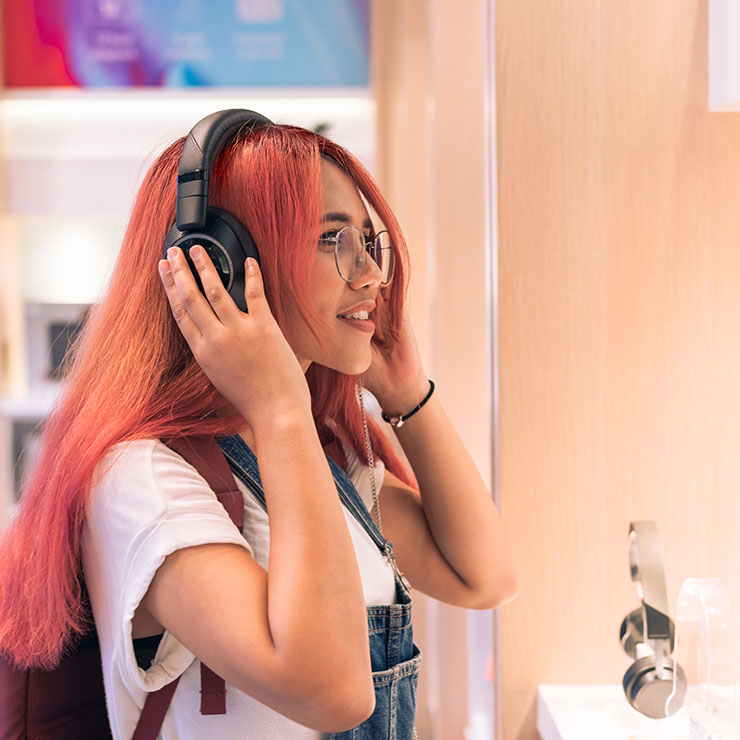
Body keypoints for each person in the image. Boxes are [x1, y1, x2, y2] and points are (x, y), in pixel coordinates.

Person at [0, 114, 517, 739]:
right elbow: (331, 691)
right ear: (221, 263)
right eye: (334, 241)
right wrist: (279, 408)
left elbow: (482, 576)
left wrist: (407, 396)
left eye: (367, 242)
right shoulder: (143, 477)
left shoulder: (318, 454)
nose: (372, 275)